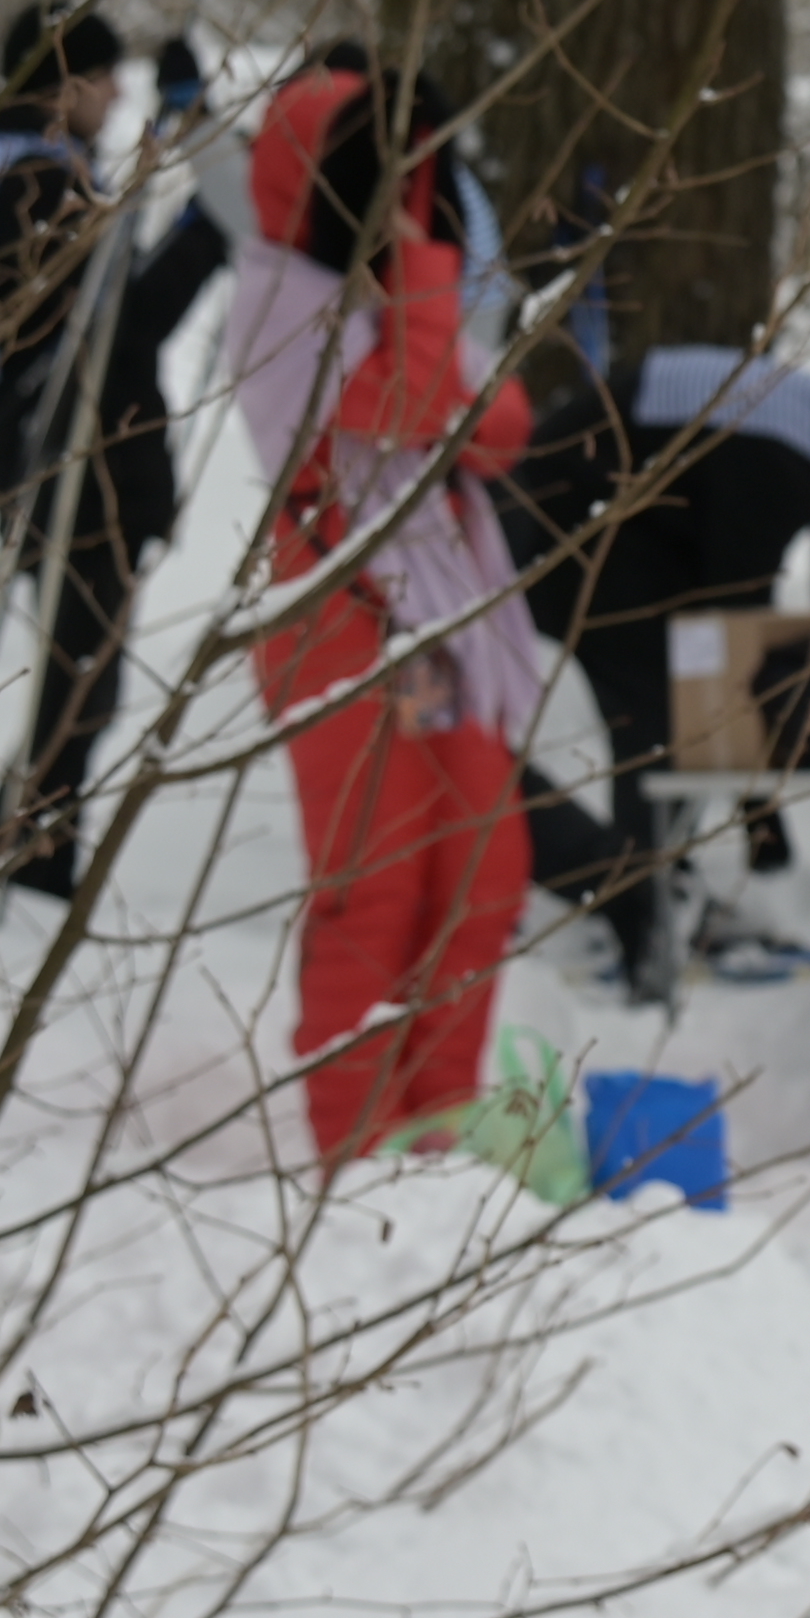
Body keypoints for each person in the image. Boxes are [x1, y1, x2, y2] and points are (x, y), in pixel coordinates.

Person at [223, 64, 551, 1164]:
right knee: (376, 888)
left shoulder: (402, 301)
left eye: (426, 176)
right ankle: (352, 1156)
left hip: (442, 626)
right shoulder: (278, 302)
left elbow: (500, 422)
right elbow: (413, 401)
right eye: (391, 175)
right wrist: (419, 261)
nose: (412, 195)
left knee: (483, 873)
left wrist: (422, 290)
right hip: (340, 616)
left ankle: (436, 1140)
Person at [505, 348, 810, 1000]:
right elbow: (736, 631)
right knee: (650, 720)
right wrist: (760, 814)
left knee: (672, 698)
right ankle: (640, 922)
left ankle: (654, 885)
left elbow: (726, 614)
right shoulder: (788, 463)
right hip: (566, 516)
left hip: (627, 513)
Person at [0, 5, 228, 907]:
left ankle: (35, 862)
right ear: (66, 87)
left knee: (82, 678)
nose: (115, 99)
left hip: (69, 452)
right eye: (106, 82)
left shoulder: (25, 166)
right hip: (70, 460)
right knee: (81, 683)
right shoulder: (35, 177)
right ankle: (30, 871)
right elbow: (107, 326)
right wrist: (201, 238)